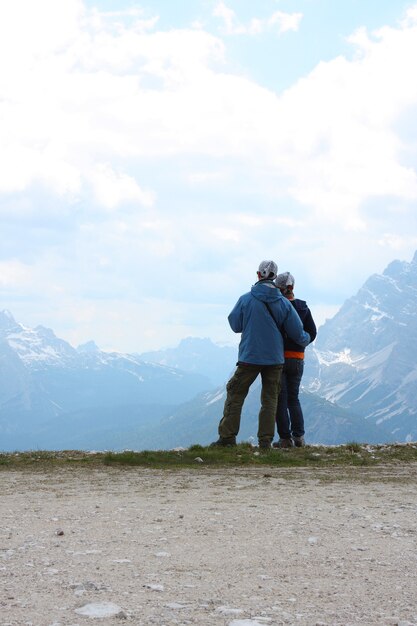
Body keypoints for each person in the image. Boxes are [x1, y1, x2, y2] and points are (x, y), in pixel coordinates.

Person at [211, 261, 311, 450]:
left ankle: (227, 438)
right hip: (275, 359)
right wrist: (307, 339)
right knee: (270, 399)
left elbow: (235, 325)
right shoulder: (283, 303)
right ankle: (265, 441)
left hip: (250, 356)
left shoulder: (245, 299)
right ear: (274, 277)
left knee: (235, 393)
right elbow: (297, 332)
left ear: (258, 275)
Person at [273, 271, 317, 448]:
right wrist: (301, 344)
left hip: (279, 359)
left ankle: (285, 439)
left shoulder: (278, 307)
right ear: (293, 288)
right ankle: (299, 437)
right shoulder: (303, 307)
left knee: (280, 400)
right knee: (294, 398)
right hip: (298, 359)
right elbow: (312, 332)